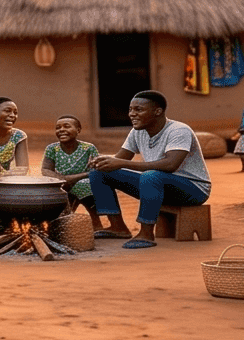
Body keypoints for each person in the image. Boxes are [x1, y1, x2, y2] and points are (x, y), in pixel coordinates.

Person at [85, 90, 210, 248]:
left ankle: (146, 233)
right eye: (130, 109)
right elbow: (120, 159)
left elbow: (170, 165)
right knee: (100, 172)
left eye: (138, 109)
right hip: (155, 184)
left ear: (157, 111)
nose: (132, 114)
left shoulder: (179, 130)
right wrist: (103, 160)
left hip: (193, 189)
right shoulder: (137, 131)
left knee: (151, 175)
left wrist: (120, 163)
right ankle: (118, 227)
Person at [40, 114, 97, 209]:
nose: (61, 130)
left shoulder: (88, 148)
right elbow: (46, 170)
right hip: (61, 185)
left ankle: (95, 220)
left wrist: (72, 178)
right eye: (58, 128)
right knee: (61, 218)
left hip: (84, 185)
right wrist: (63, 179)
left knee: (85, 185)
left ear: (78, 130)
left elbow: (96, 170)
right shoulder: (52, 148)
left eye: (67, 126)